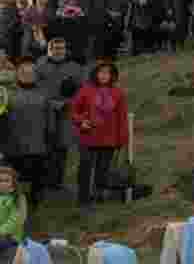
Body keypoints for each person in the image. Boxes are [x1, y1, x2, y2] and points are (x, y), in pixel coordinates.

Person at [70, 59, 129, 208]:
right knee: (85, 167)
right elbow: (73, 111)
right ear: (95, 73)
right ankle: (83, 197)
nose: (104, 76)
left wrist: (122, 138)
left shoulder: (118, 93)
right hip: (88, 136)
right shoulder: (85, 90)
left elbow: (122, 117)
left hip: (109, 138)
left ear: (112, 75)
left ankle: (99, 195)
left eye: (107, 73)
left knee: (103, 169)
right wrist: (81, 120)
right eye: (101, 72)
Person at [33, 37, 84, 190]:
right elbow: (35, 88)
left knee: (62, 147)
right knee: (46, 146)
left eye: (61, 48)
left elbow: (82, 90)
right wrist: (53, 103)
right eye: (54, 48)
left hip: (66, 112)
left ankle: (58, 182)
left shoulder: (74, 67)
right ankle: (43, 182)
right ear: (48, 49)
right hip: (44, 111)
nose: (58, 51)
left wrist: (72, 97)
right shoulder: (39, 66)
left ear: (65, 49)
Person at [4, 59, 48, 211]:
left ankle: (34, 203)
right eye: (24, 72)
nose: (28, 75)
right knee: (12, 177)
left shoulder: (44, 93)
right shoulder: (7, 93)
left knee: (37, 177)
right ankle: (11, 204)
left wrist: (50, 137)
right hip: (13, 144)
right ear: (17, 74)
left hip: (38, 144)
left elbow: (50, 118)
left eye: (31, 73)